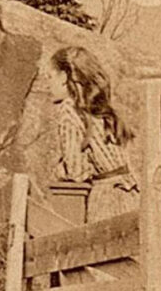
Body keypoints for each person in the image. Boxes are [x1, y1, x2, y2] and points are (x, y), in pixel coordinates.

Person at [47, 45, 139, 222]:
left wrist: (60, 169)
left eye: (50, 77)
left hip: (106, 200)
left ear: (64, 77)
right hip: (130, 192)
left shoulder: (68, 111)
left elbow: (77, 173)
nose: (48, 83)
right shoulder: (98, 109)